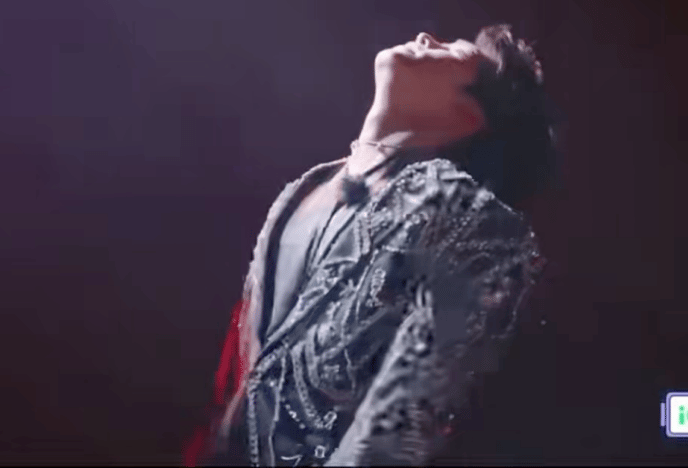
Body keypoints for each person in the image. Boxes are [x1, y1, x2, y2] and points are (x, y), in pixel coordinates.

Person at [185, 24, 561, 466]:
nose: (426, 36)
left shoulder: (474, 222)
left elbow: (398, 429)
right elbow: (238, 380)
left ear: (469, 117)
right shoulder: (303, 189)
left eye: (451, 51)